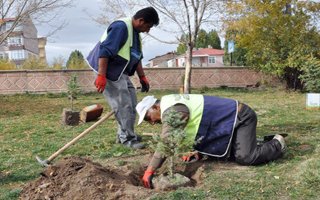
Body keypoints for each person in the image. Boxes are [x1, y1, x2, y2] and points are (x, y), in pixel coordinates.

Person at [136, 94, 286, 188]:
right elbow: (201, 125)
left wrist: (150, 170)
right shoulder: (171, 104)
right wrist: (199, 152)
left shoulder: (174, 110)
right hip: (227, 122)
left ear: (155, 107)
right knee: (230, 155)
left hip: (242, 118)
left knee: (245, 157)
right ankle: (254, 142)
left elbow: (167, 141)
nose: (153, 123)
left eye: (149, 118)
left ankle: (277, 144)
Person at [86, 7, 159, 149]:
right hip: (107, 70)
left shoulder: (135, 34)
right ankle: (127, 138)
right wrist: (101, 75)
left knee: (132, 103)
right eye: (148, 26)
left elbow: (136, 58)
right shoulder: (121, 27)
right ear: (141, 21)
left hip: (119, 71)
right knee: (123, 104)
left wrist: (142, 77)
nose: (147, 30)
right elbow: (105, 51)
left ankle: (126, 133)